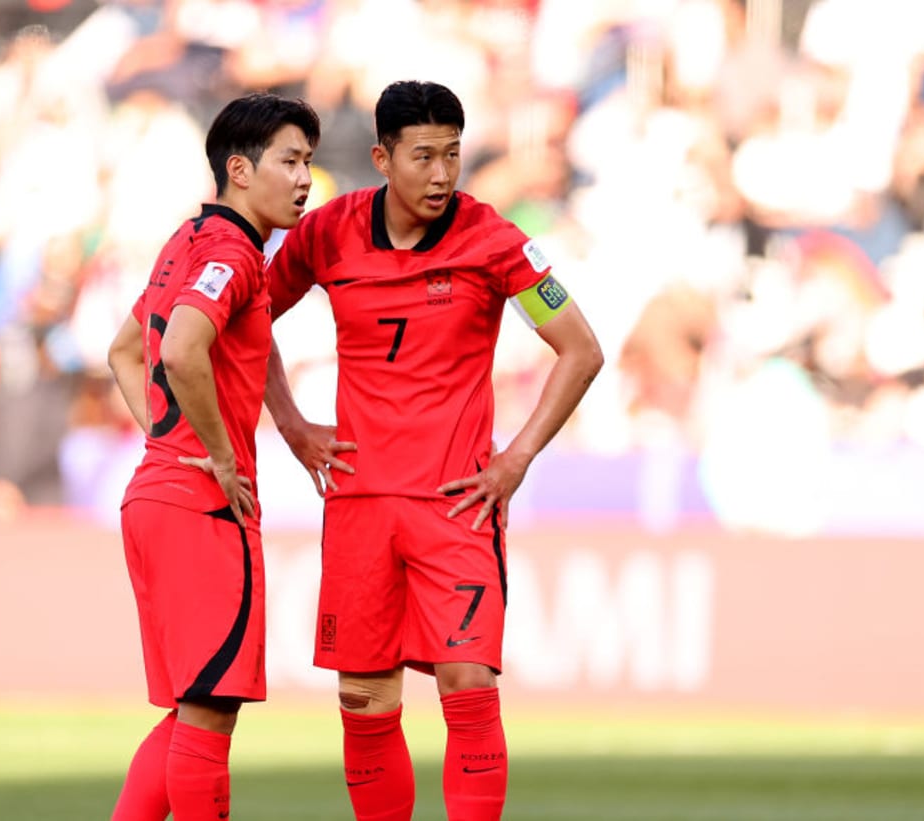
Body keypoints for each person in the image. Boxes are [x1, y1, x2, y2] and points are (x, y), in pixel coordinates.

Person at [265, 80, 604, 821]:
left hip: (457, 504)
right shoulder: (327, 233)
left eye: (452, 154)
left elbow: (581, 350)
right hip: (358, 502)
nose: (442, 173)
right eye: (424, 156)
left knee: (467, 683)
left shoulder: (496, 242)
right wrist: (291, 424)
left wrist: (516, 458)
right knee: (365, 698)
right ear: (382, 158)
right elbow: (245, 317)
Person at [105, 92, 319, 821]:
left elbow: (124, 351)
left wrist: (170, 441)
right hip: (202, 506)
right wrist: (219, 456)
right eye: (290, 161)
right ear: (239, 169)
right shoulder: (232, 254)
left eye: (308, 162)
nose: (304, 179)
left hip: (155, 493)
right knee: (208, 713)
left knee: (191, 708)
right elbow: (180, 348)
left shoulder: (188, 241)